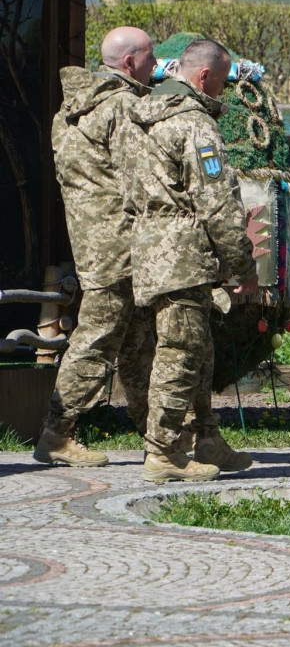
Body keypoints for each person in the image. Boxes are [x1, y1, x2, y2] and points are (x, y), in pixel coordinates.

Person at [123, 39, 258, 482]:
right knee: (181, 352)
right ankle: (163, 451)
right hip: (182, 253)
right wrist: (244, 267)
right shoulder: (194, 125)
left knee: (196, 348)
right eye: (220, 84)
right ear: (203, 78)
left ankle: (207, 437)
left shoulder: (141, 116)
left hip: (149, 248)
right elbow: (217, 203)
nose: (221, 93)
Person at [34, 27, 158, 467]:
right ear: (130, 63)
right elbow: (143, 178)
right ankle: (57, 433)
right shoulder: (123, 106)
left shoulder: (69, 111)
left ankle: (158, 435)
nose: (156, 66)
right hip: (122, 243)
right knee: (98, 337)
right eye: (151, 57)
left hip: (92, 240)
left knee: (139, 339)